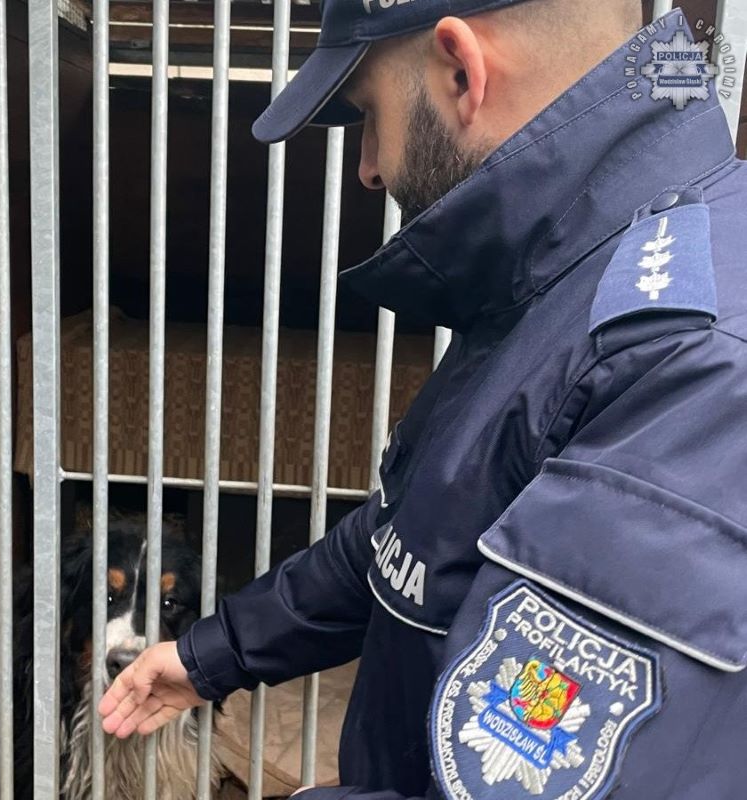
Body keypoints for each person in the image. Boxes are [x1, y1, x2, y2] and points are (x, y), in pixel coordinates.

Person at [99, 0, 747, 797]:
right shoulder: (567, 279)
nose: (368, 165)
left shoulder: (688, 360)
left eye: (368, 112)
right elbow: (415, 533)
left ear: (459, 70)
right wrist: (213, 654)